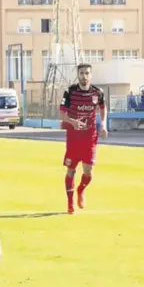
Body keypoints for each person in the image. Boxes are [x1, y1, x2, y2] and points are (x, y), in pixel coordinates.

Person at [60, 63, 108, 215]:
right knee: (71, 170)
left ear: (91, 75)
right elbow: (62, 114)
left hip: (90, 136)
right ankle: (70, 203)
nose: (84, 76)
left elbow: (102, 108)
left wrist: (104, 124)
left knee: (88, 171)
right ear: (78, 74)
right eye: (81, 73)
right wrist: (73, 122)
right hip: (73, 137)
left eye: (87, 73)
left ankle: (81, 190)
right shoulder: (70, 92)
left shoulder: (97, 92)